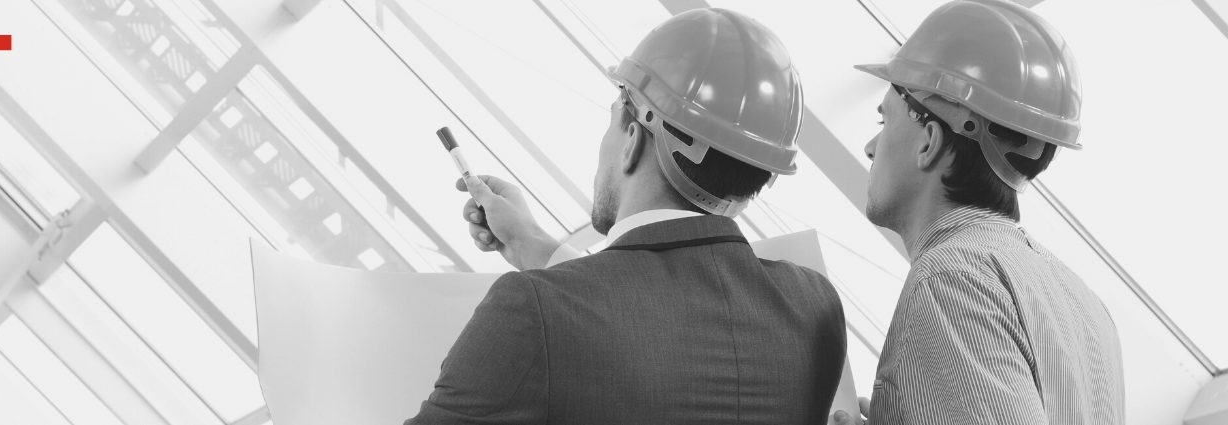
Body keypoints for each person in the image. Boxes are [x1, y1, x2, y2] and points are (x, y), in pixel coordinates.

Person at [406, 8, 848, 424]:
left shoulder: (530, 309)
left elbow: (614, 326)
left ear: (633, 138)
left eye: (612, 119)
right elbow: (646, 327)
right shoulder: (813, 308)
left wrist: (542, 291)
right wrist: (534, 247)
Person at [832, 0, 1125, 423]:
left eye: (885, 122)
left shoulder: (952, 281)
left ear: (928, 142)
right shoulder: (1083, 302)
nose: (870, 147)